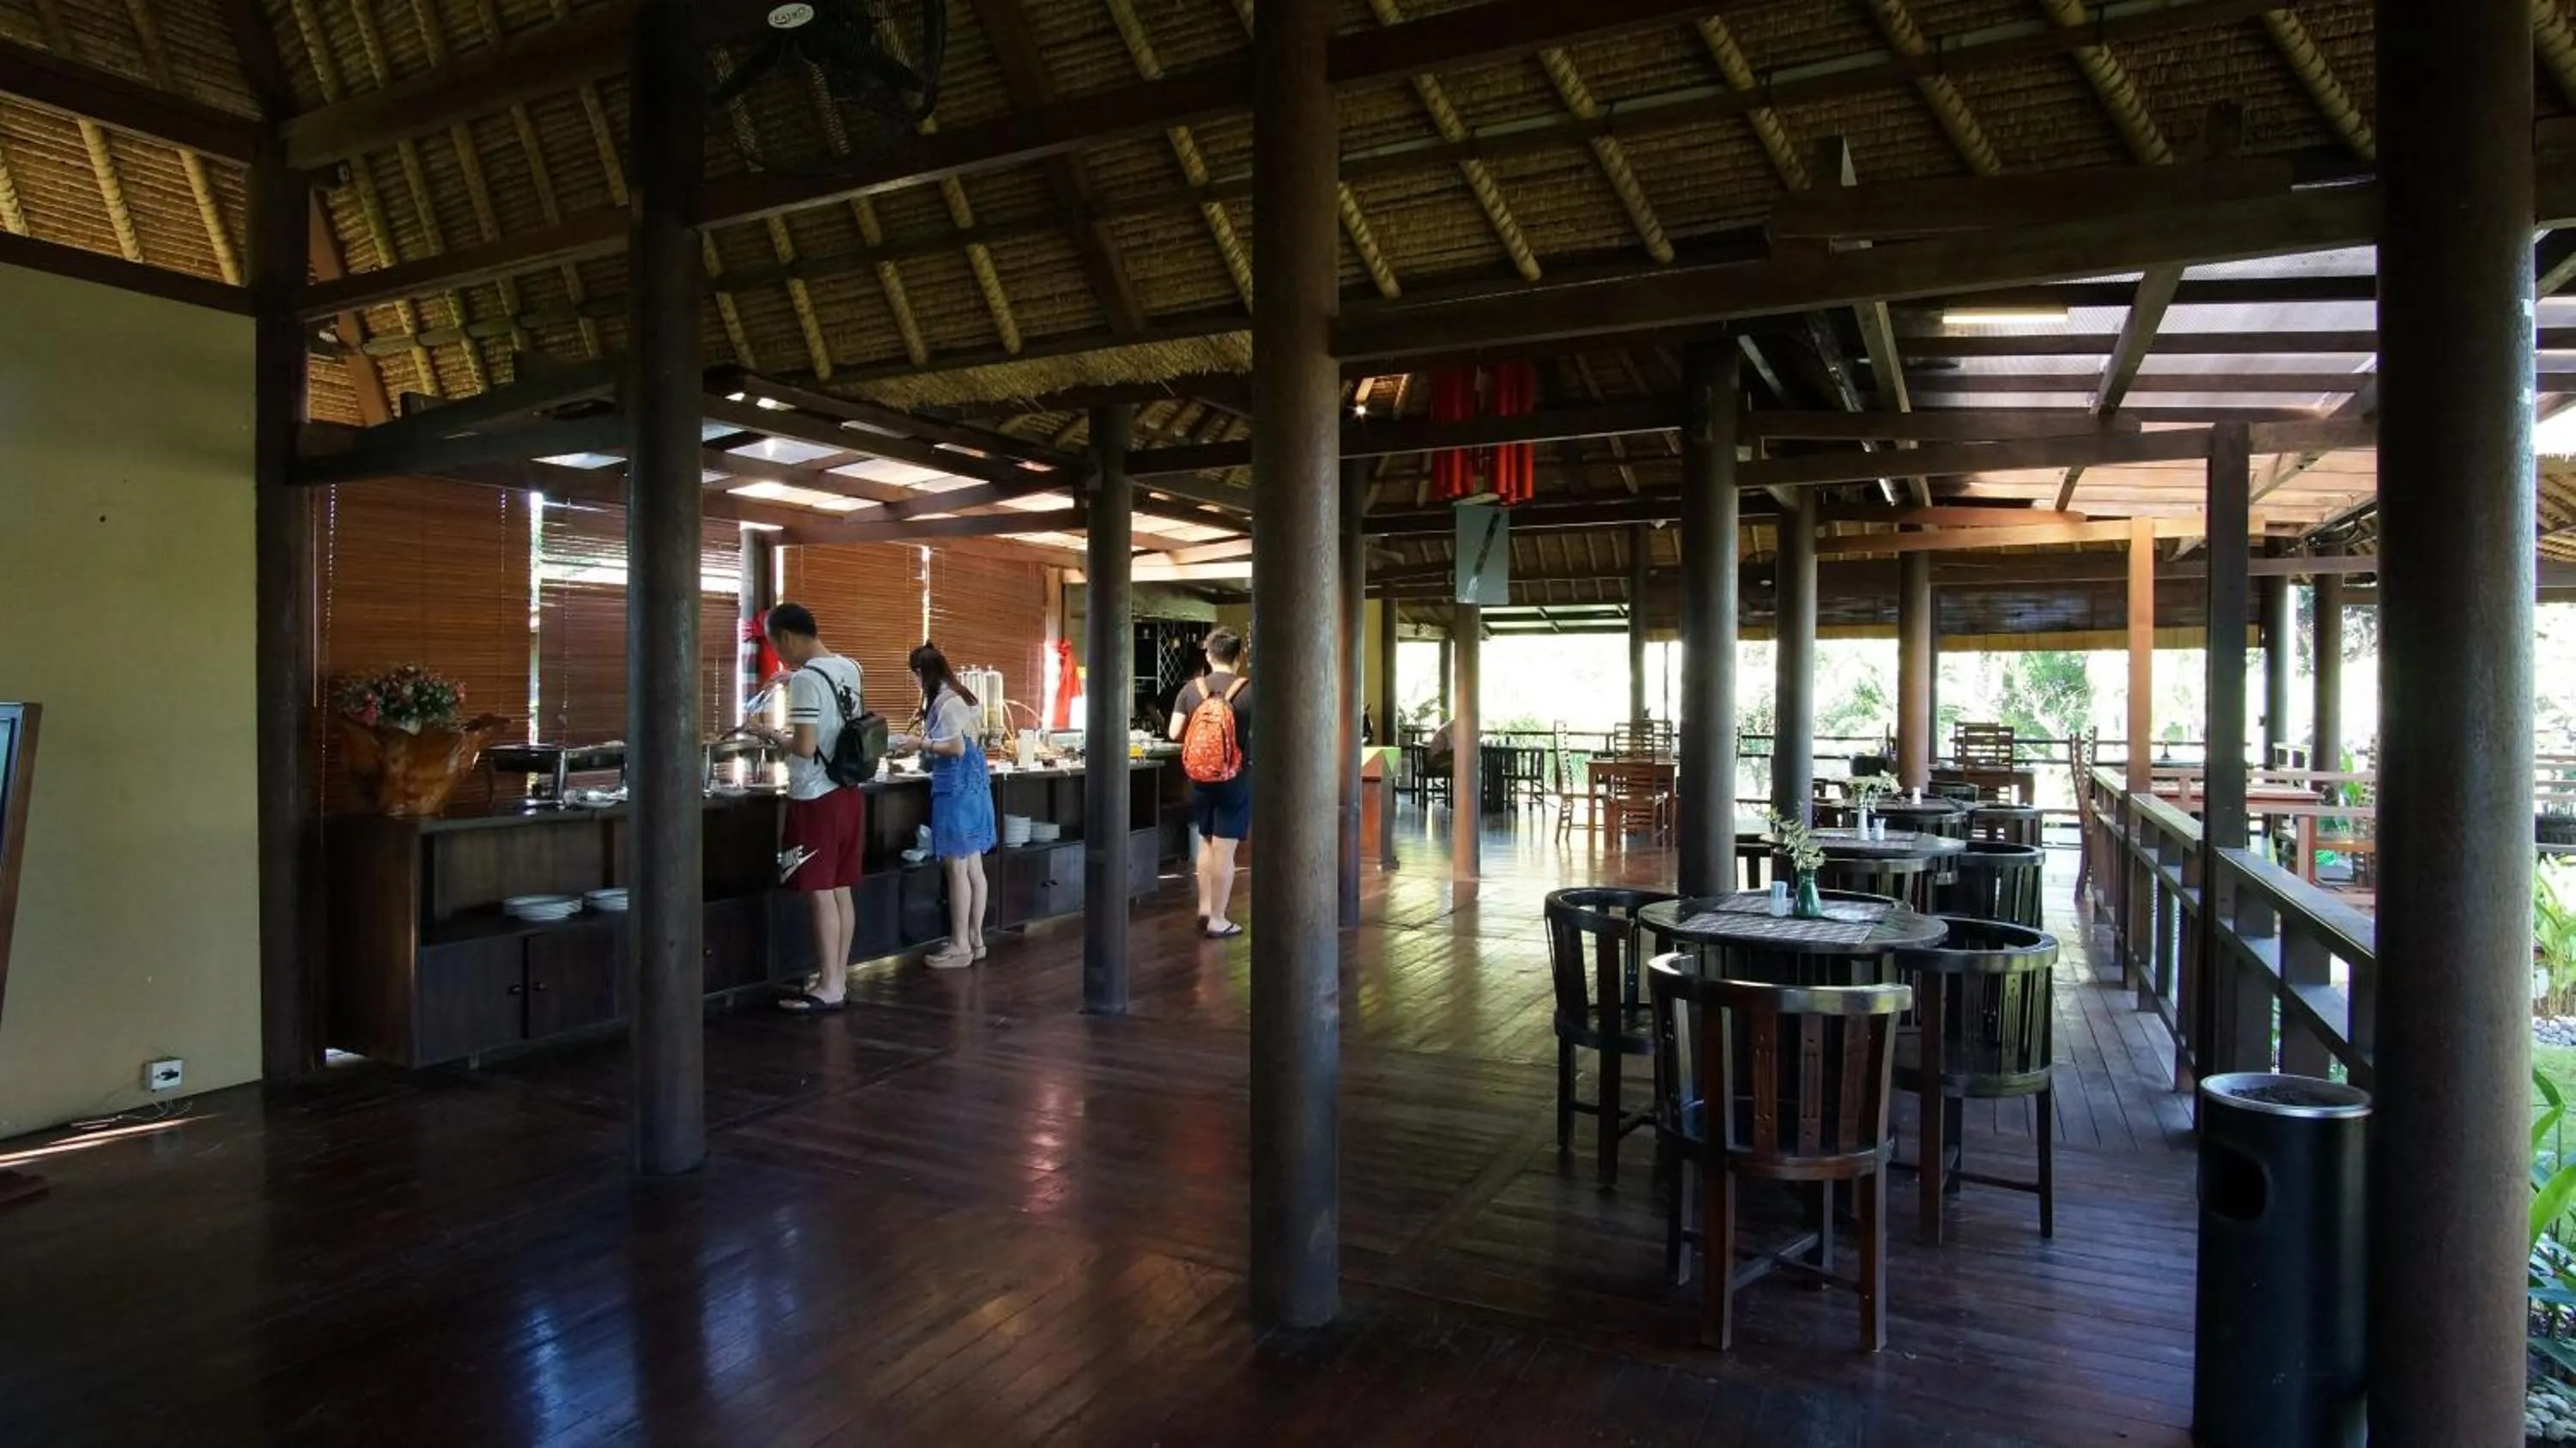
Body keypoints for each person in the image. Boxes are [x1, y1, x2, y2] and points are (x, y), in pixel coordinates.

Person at [760, 602, 866, 1014]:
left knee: (819, 894)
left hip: (815, 797)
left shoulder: (806, 679)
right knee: (840, 890)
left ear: (786, 637)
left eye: (775, 645)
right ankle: (835, 978)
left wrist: (772, 734)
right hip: (848, 792)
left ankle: (830, 987)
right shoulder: (850, 667)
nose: (778, 655)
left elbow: (804, 745)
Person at [891, 642, 993, 970]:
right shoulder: (959, 695)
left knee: (956, 867)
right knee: (974, 867)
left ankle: (960, 945)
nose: (915, 683)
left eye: (915, 676)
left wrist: (918, 743)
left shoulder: (947, 703)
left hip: (957, 790)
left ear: (922, 673)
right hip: (975, 788)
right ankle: (976, 940)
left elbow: (956, 748)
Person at [1169, 626, 1252, 939]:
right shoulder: (1248, 690)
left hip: (1199, 777)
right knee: (1225, 851)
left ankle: (1205, 908)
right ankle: (1219, 918)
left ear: (1208, 655)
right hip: (1236, 778)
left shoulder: (1192, 689)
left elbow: (1174, 733)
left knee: (1205, 841)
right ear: (1238, 657)